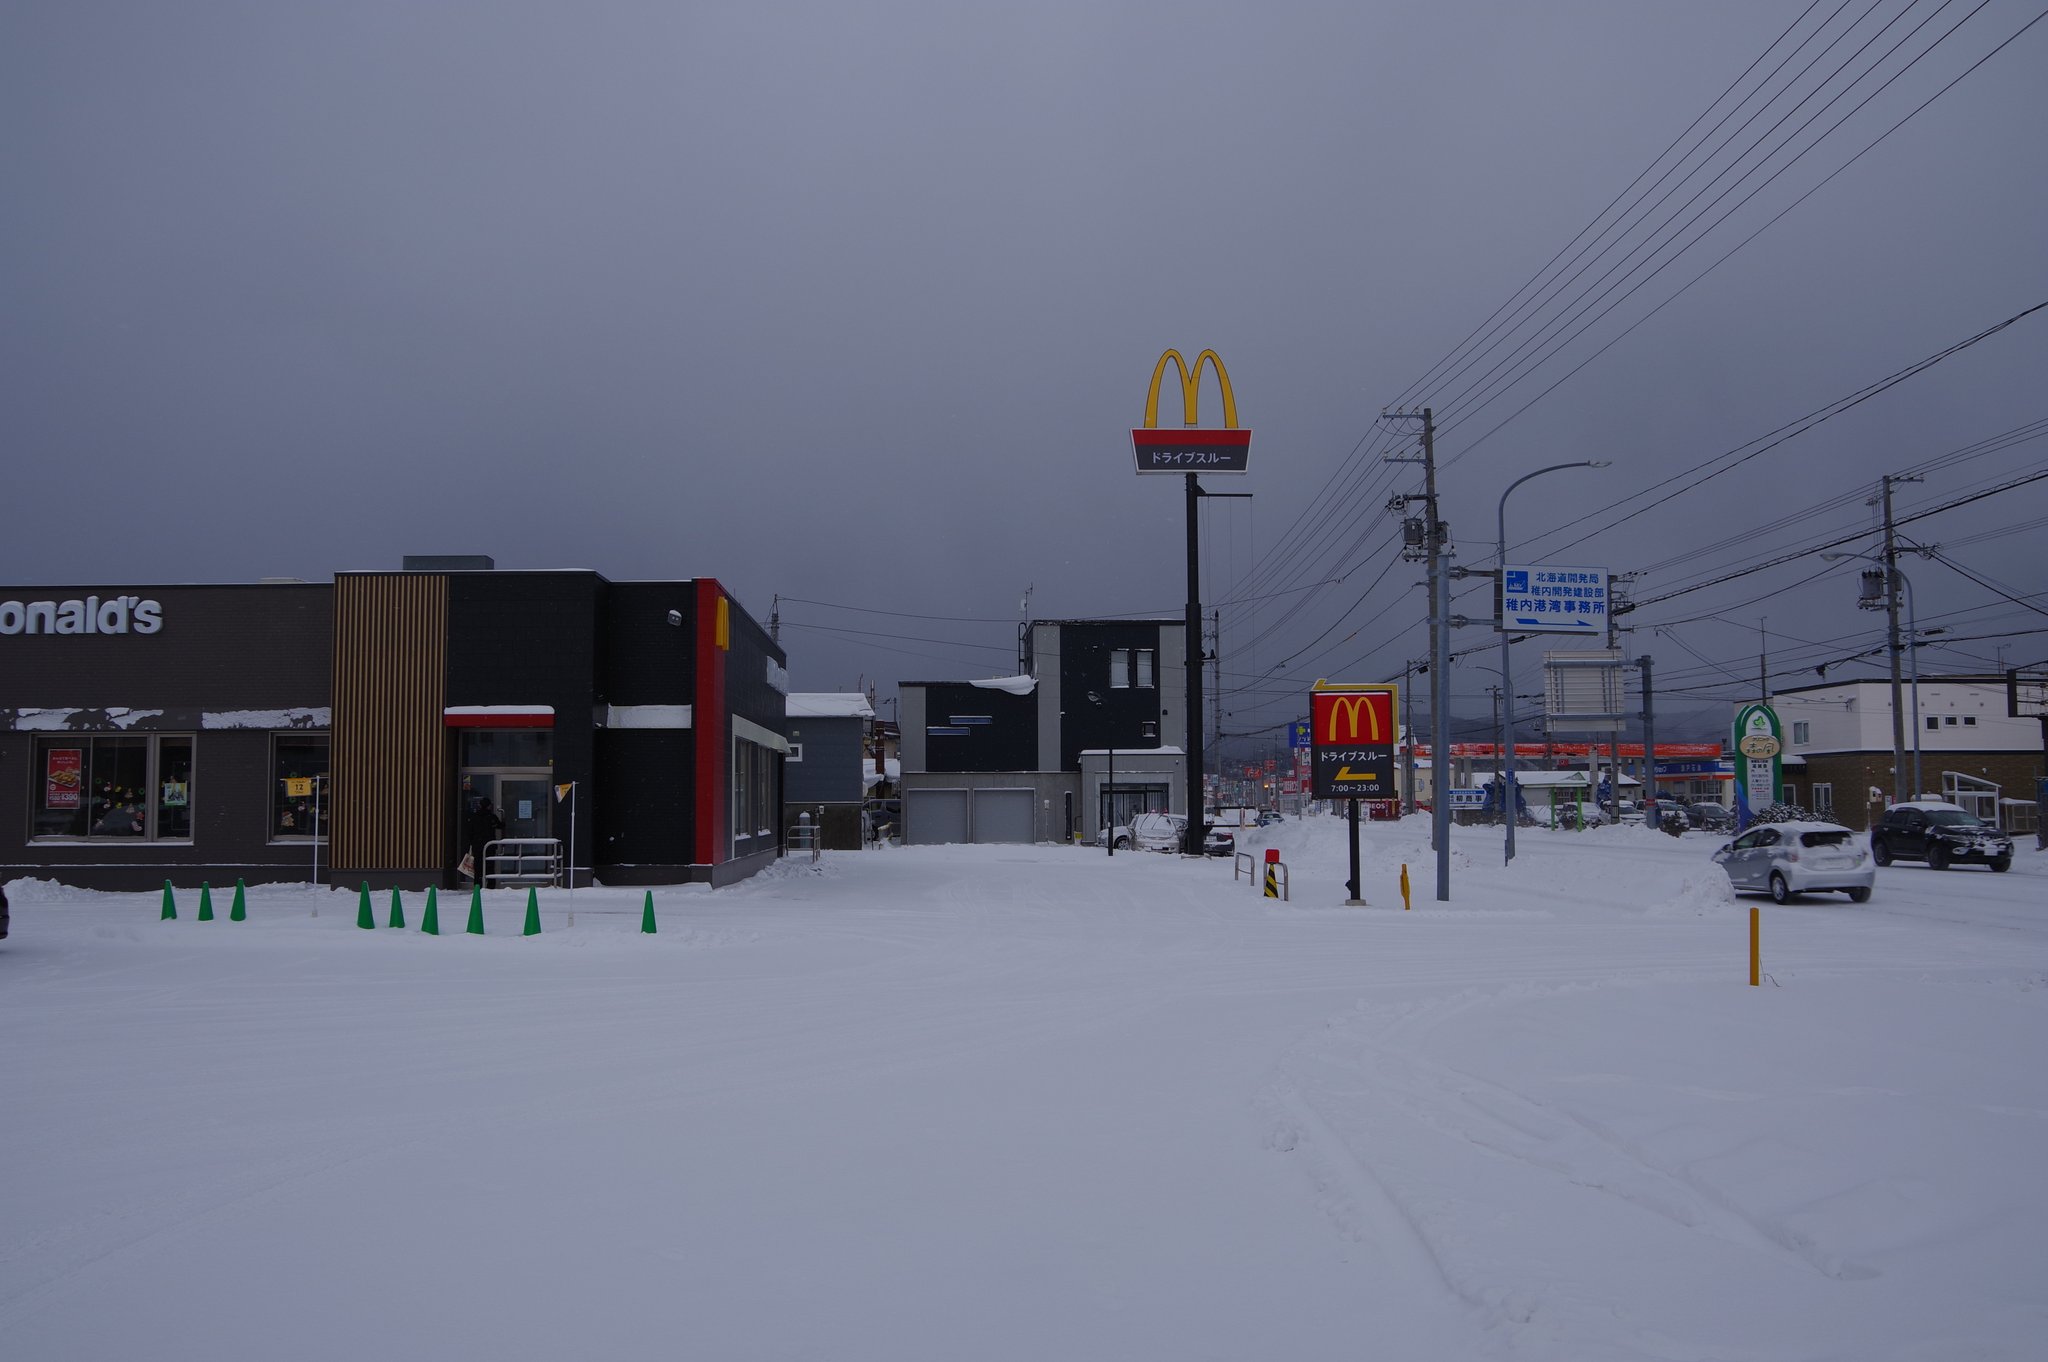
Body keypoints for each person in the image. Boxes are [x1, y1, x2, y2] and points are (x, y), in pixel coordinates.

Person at [465, 797, 504, 885]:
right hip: (489, 845)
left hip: (477, 846)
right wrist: (504, 820)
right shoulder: (491, 817)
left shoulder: (474, 817)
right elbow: (500, 826)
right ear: (489, 806)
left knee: (478, 867)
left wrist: (472, 842)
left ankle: (478, 885)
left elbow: (469, 831)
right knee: (489, 866)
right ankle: (490, 885)